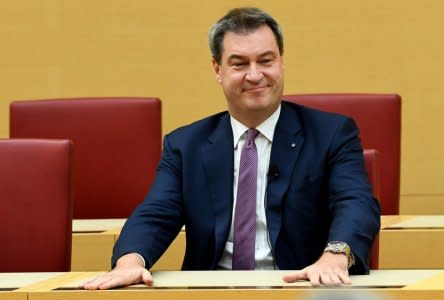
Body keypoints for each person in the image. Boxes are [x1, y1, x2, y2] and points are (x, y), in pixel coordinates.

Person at [83, 7, 380, 290]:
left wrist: (334, 257)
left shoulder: (332, 134)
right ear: (217, 69)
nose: (254, 75)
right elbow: (156, 214)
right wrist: (130, 261)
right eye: (240, 64)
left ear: (282, 61)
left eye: (266, 61)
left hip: (302, 287)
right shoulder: (186, 145)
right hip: (212, 292)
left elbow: (355, 202)